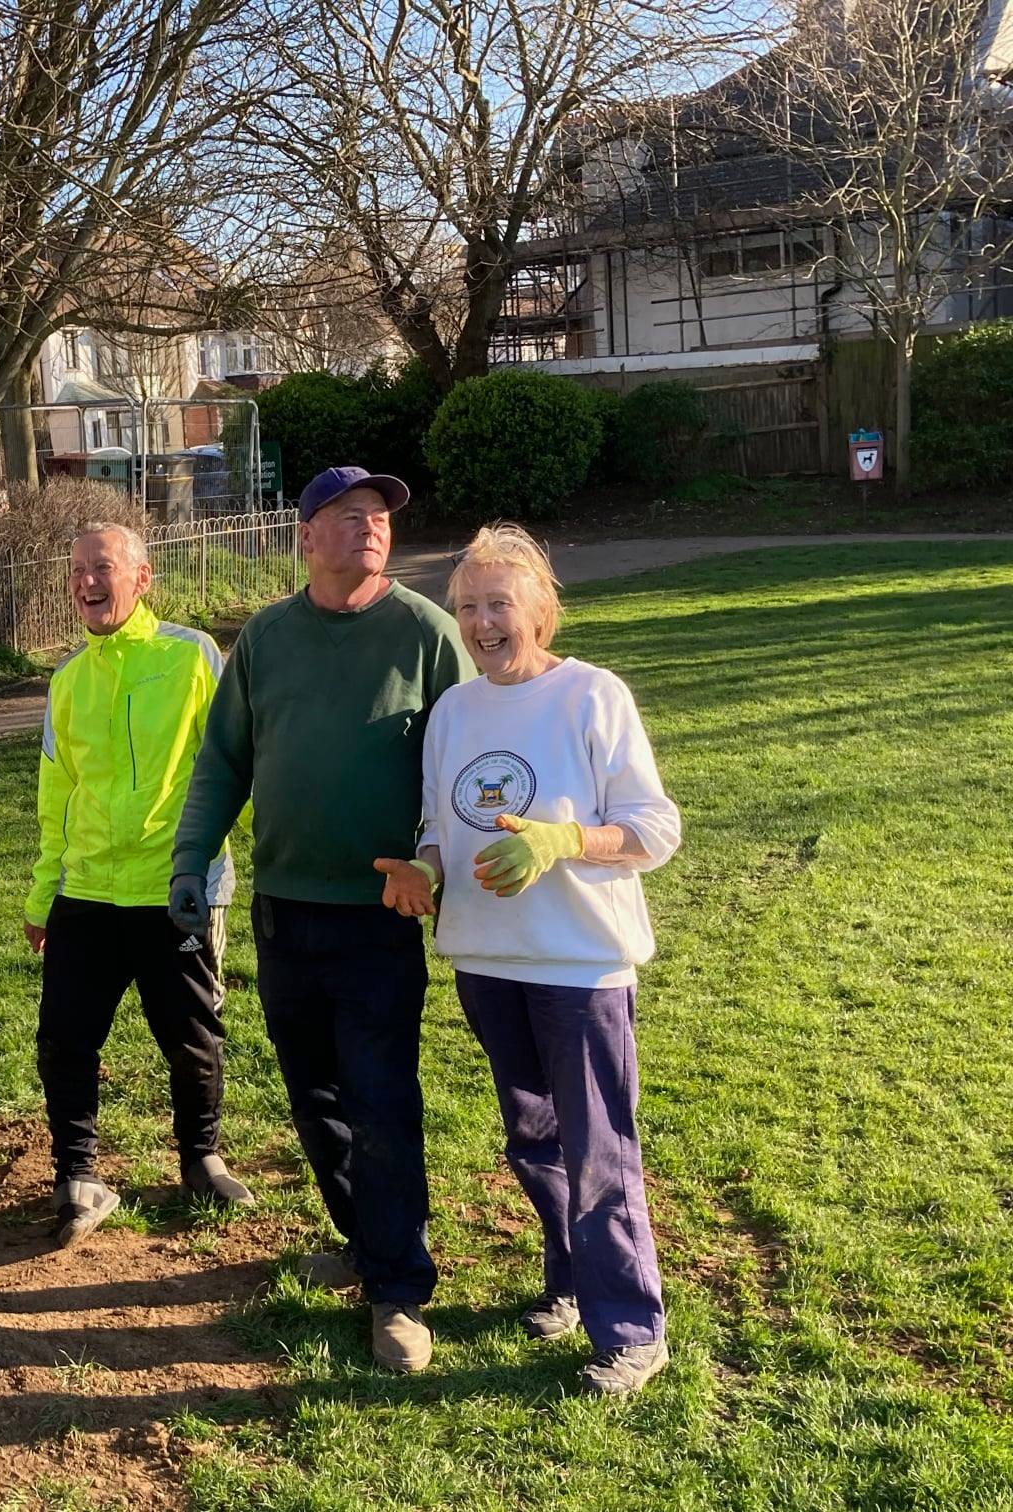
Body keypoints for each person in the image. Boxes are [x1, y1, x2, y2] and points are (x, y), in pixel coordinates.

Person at [171, 465, 472, 1374]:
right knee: (315, 1098)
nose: (370, 528)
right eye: (348, 516)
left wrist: (438, 864)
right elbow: (224, 762)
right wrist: (191, 859)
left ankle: (397, 1291)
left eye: (379, 516)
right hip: (284, 909)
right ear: (305, 537)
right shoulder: (266, 637)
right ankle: (364, 1239)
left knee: (381, 1100)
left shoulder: (426, 633)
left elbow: (466, 764)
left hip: (378, 915)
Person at [374, 523, 680, 1396]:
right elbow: (439, 825)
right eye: (467, 607)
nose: (481, 623)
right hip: (488, 961)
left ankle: (632, 1330)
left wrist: (565, 840)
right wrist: (424, 871)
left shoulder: (591, 695)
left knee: (599, 1151)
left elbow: (656, 829)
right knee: (534, 1140)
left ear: (541, 611)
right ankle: (571, 1280)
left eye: (499, 604)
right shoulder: (454, 712)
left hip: (579, 965)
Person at [23, 521, 252, 1247]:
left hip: (175, 888)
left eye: (103, 567)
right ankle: (77, 1173)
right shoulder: (67, 679)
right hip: (87, 891)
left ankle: (200, 1158)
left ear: (142, 578)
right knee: (65, 1040)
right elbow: (55, 794)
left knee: (191, 1037)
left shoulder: (191, 655)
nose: (87, 582)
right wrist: (43, 894)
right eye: (77, 570)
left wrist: (220, 860)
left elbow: (233, 758)